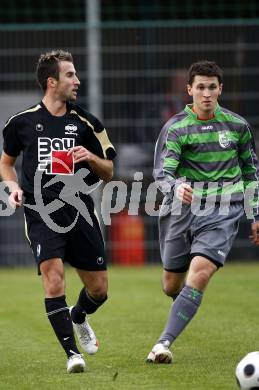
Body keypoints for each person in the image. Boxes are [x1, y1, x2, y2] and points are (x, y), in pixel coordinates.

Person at [0, 50, 116, 373]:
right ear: (52, 82)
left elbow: (109, 171)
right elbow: (6, 163)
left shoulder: (86, 123)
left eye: (76, 75)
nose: (77, 81)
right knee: (53, 279)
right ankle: (72, 354)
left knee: (100, 290)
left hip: (78, 210)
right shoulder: (21, 123)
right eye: (70, 75)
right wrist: (12, 187)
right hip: (39, 213)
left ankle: (79, 316)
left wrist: (90, 159)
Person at [147, 60, 259, 364]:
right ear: (189, 90)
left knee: (201, 271)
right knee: (172, 283)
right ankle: (184, 302)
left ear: (220, 89)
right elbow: (163, 173)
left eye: (212, 87)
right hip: (182, 211)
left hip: (224, 209)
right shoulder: (176, 128)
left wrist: (255, 214)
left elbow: (251, 173)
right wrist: (175, 188)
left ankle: (162, 344)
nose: (206, 93)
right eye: (200, 87)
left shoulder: (237, 126)